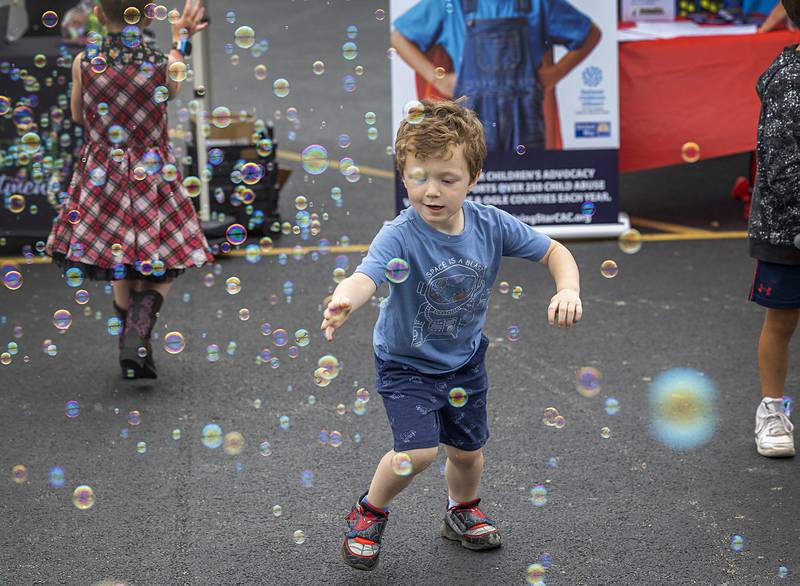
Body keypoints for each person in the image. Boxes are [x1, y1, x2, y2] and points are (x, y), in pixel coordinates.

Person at [320, 98, 583, 571]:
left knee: (467, 453)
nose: (432, 191)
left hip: (464, 361)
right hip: (405, 363)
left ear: (474, 179)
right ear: (404, 175)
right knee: (418, 452)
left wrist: (568, 289)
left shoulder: (491, 224)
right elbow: (365, 276)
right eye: (420, 177)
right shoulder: (399, 233)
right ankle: (369, 511)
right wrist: (344, 301)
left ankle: (461, 511)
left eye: (448, 179)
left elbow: (555, 252)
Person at [46, 0, 213, 379]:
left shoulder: (84, 64)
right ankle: (138, 330)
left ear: (101, 15)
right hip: (151, 172)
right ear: (149, 15)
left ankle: (131, 342)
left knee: (119, 254)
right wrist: (181, 41)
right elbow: (173, 86)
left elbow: (77, 115)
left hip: (102, 174)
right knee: (162, 259)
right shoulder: (161, 64)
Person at [391, 0, 601, 152]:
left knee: (527, 184)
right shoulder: (452, 4)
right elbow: (398, 37)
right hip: (471, 118)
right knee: (473, 186)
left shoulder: (539, 3)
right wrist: (439, 79)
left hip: (524, 116)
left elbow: (590, 33)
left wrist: (556, 73)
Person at [747, 0, 800, 458]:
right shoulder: (787, 78)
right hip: (788, 230)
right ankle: (772, 410)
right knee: (781, 320)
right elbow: (781, 164)